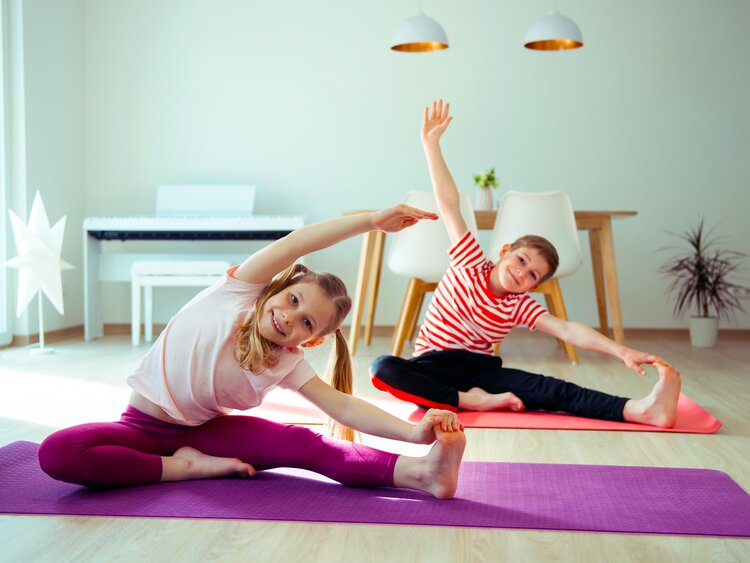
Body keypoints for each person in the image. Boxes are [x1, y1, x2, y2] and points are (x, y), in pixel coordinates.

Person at [38, 205, 466, 499]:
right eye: (294, 301)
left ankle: (423, 473)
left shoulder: (286, 360)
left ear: (310, 342)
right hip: (139, 427)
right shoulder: (238, 292)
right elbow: (295, 244)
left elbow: (344, 407)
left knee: (305, 444)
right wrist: (372, 221)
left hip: (204, 434)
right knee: (56, 453)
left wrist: (415, 433)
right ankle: (184, 468)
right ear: (280, 287)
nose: (289, 318)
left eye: (306, 324)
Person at [370, 100, 682, 428]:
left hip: (482, 371)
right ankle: (468, 401)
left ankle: (643, 410)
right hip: (431, 365)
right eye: (521, 260)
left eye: (532, 274)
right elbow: (449, 205)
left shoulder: (519, 306)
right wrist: (431, 144)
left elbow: (567, 329)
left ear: (535, 286)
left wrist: (622, 352)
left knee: (552, 389)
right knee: (383, 367)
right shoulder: (470, 262)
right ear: (504, 251)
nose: (521, 272)